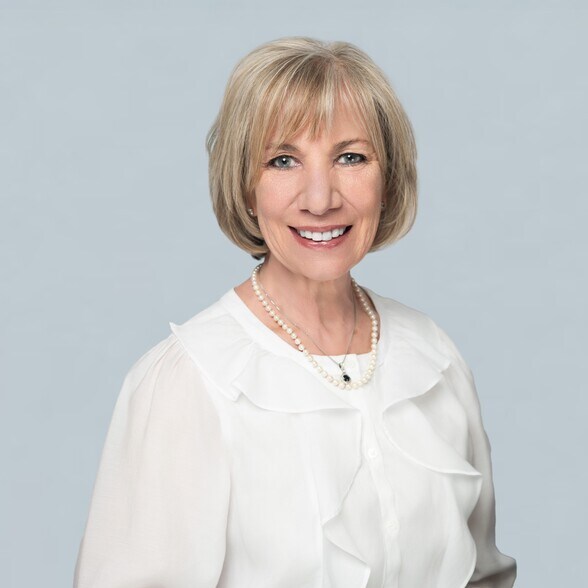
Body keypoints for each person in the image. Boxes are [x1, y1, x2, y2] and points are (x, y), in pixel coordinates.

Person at [74, 37, 517, 588]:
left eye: (350, 157)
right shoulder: (192, 381)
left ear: (388, 178)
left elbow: (483, 576)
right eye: (282, 160)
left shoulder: (432, 357)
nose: (320, 198)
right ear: (245, 185)